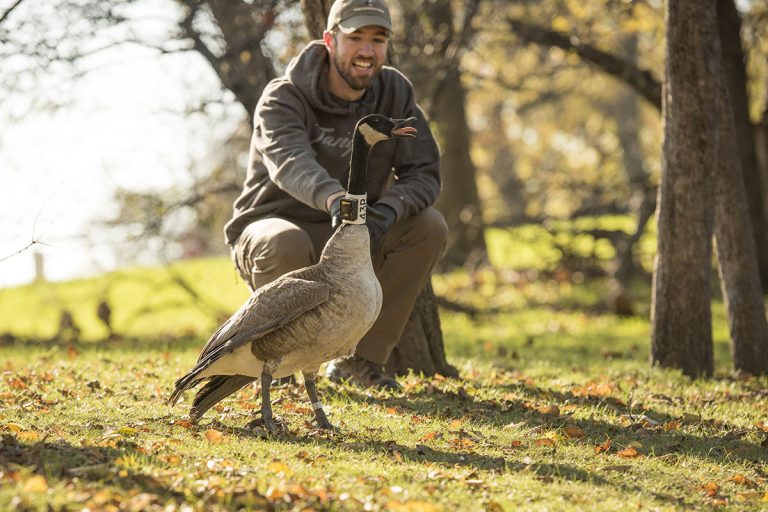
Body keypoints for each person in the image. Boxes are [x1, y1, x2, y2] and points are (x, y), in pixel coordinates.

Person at [223, 0, 447, 391]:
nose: (366, 50)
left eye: (377, 39)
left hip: (354, 234)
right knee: (284, 243)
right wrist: (335, 201)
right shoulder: (284, 97)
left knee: (428, 226)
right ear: (329, 39)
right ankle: (274, 368)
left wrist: (386, 213)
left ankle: (361, 360)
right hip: (278, 227)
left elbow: (423, 174)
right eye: (355, 37)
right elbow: (290, 162)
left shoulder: (395, 93)